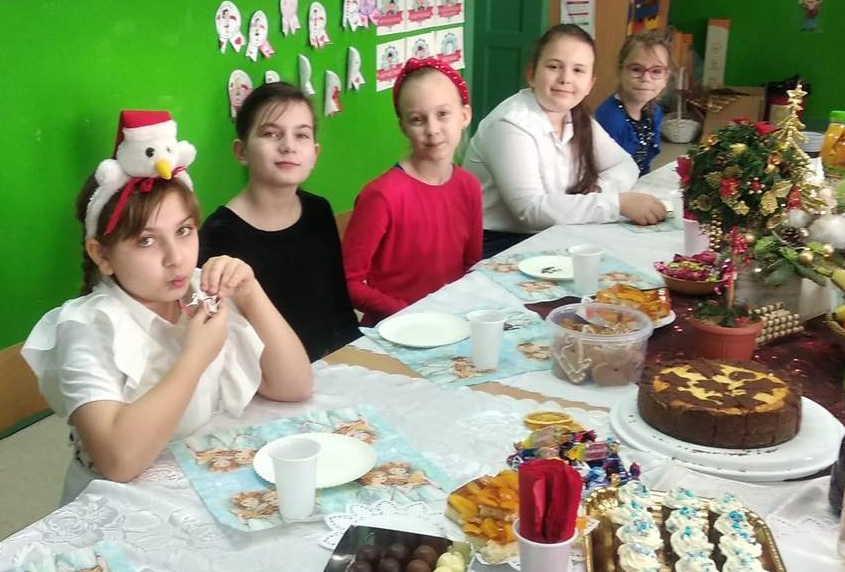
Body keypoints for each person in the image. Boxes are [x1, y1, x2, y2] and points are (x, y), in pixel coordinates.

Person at [23, 110, 311, 505]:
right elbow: (118, 461)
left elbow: (294, 386)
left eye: (184, 231)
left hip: (200, 479)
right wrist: (195, 357)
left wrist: (251, 293)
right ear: (102, 255)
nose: (176, 258)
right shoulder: (88, 326)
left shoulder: (198, 290)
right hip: (119, 505)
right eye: (146, 240)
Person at [464, 24, 668, 257]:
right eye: (554, 67)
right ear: (531, 74)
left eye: (578, 70)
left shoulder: (576, 116)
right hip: (498, 243)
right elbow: (530, 210)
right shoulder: (510, 124)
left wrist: (600, 193)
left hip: (554, 229)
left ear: (590, 84)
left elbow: (624, 164)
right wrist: (617, 203)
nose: (565, 78)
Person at [199, 82, 358, 360]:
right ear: (241, 151)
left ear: (315, 154)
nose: (288, 146)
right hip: (264, 378)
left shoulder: (319, 210)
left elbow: (339, 309)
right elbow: (220, 343)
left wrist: (355, 360)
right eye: (271, 134)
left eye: (301, 135)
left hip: (329, 366)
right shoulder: (218, 236)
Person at [342, 58, 482, 324]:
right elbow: (348, 282)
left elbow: (471, 266)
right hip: (393, 327)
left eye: (443, 114)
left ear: (464, 116)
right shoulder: (382, 196)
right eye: (418, 119)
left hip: (451, 322)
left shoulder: (469, 187)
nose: (432, 130)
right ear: (403, 127)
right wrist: (408, 312)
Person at [594, 31, 671, 176]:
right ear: (620, 71)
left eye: (656, 71)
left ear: (666, 77)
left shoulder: (655, 112)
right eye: (636, 69)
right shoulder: (610, 119)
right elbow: (604, 174)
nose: (646, 78)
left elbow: (644, 165)